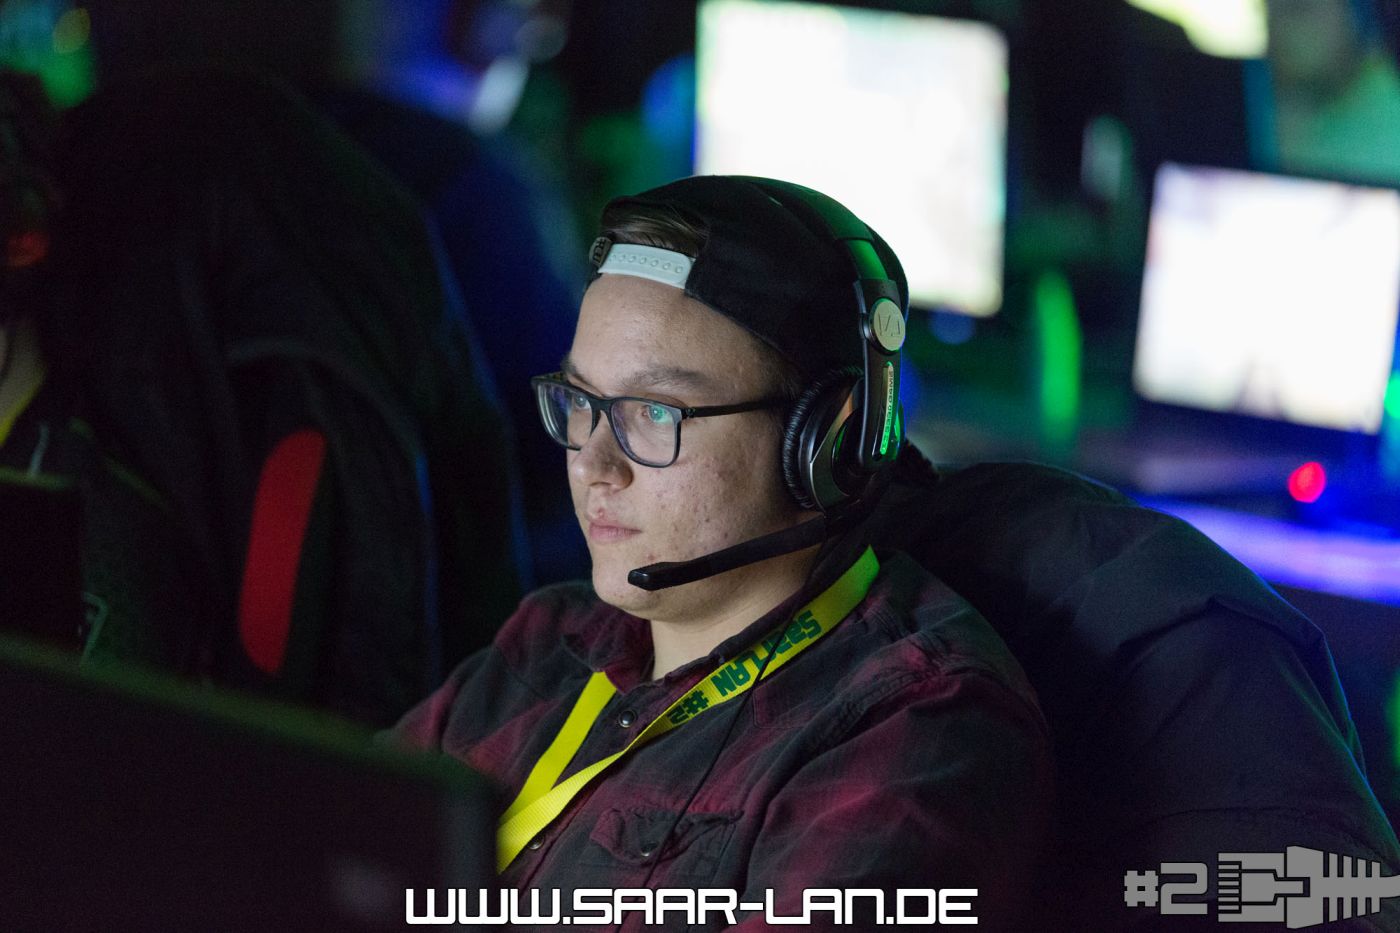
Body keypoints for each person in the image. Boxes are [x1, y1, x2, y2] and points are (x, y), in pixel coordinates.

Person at [393, 175, 1052, 930]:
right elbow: (332, 844)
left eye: (653, 412)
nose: (592, 465)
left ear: (827, 440)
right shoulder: (552, 639)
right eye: (581, 402)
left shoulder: (916, 732)